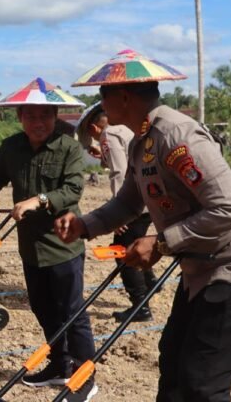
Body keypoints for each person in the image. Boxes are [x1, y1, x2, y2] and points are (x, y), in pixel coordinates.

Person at [56, 77, 231, 402]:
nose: (101, 105)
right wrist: (84, 225)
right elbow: (128, 203)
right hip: (200, 269)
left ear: (124, 97)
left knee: (202, 384)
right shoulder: (141, 143)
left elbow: (227, 209)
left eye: (103, 95)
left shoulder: (178, 135)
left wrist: (160, 244)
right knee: (173, 363)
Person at [0, 89, 97, 401]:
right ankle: (59, 365)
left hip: (63, 244)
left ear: (55, 117)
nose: (38, 121)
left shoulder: (68, 148)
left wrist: (38, 200)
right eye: (30, 115)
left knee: (72, 313)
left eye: (45, 115)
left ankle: (86, 376)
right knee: (43, 308)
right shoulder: (11, 147)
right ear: (20, 118)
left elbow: (72, 189)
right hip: (30, 246)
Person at [82, 105, 158, 322]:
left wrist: (118, 212)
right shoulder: (127, 130)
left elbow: (119, 172)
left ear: (94, 127)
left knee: (123, 253)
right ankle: (151, 282)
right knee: (136, 242)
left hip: (132, 204)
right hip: (147, 199)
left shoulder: (109, 134)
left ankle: (140, 307)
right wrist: (102, 156)